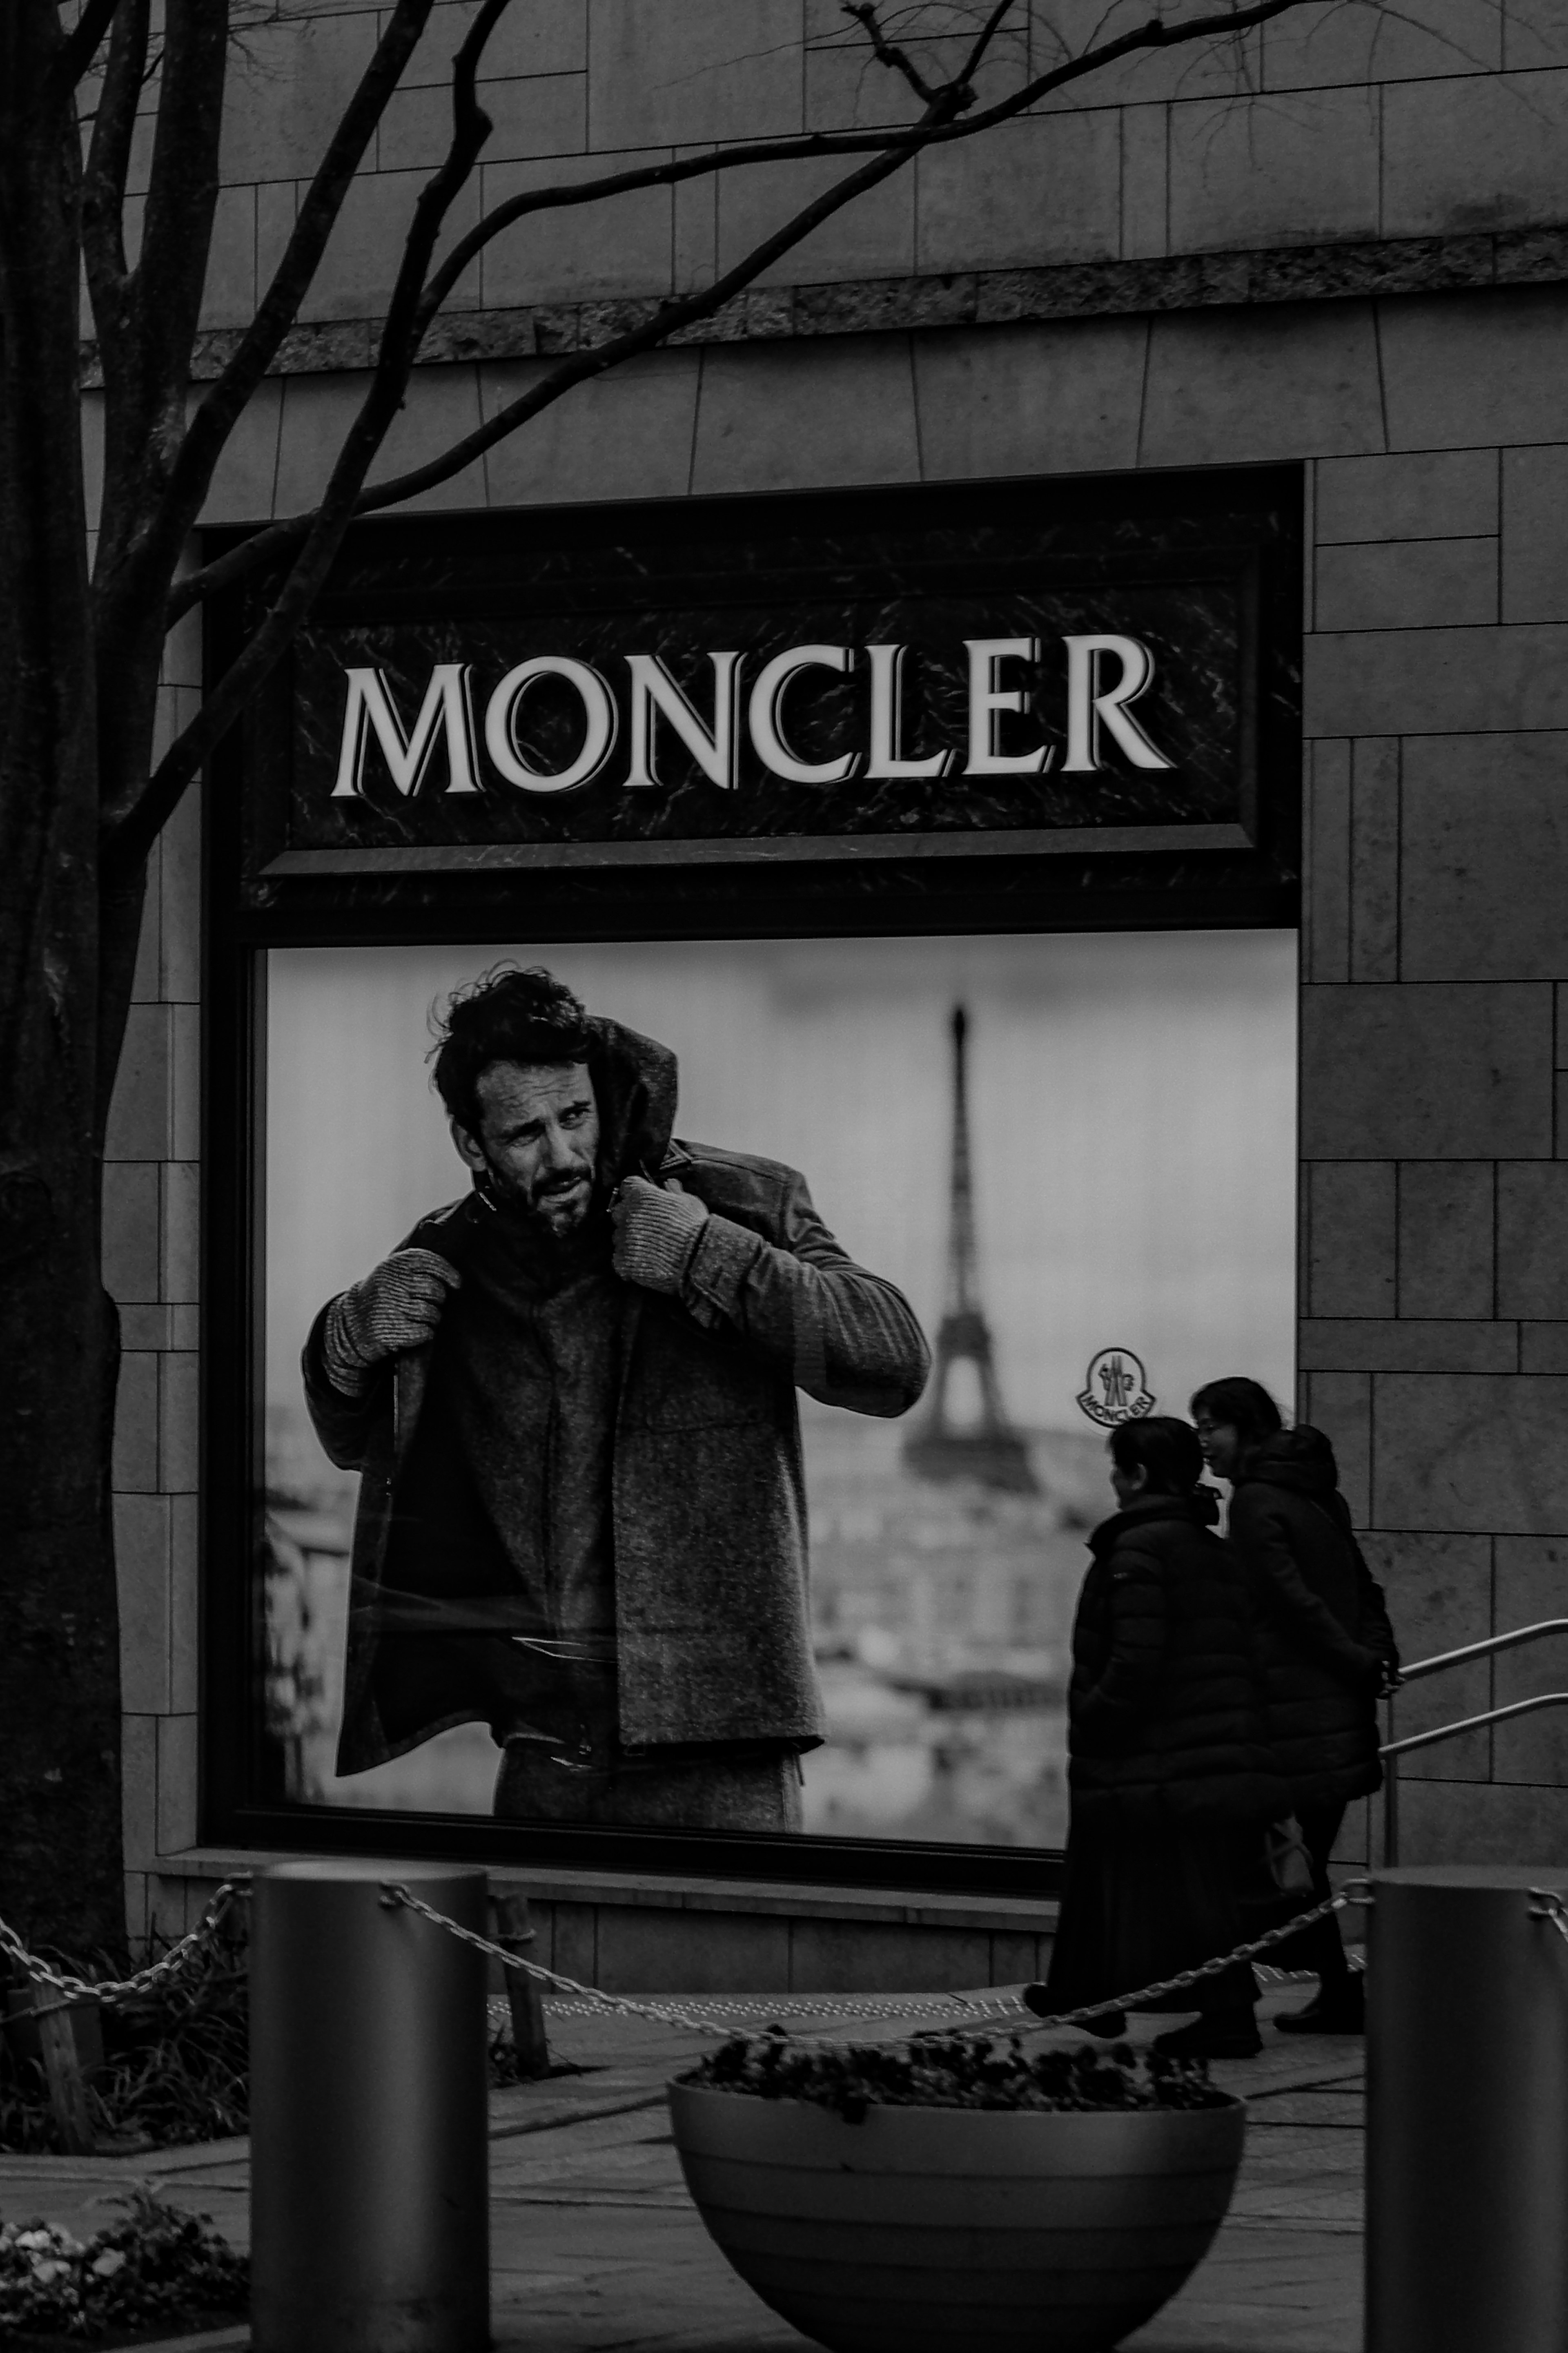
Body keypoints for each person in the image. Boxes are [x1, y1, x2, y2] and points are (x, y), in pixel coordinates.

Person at [302, 963, 930, 1833]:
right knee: (539, 1972)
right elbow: (352, 1437)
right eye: (525, 1133)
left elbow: (895, 1362)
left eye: (575, 1116)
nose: (562, 1155)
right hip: (544, 1753)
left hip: (723, 1753)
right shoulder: (452, 1257)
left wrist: (709, 1255)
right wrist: (345, 1338)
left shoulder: (739, 1202)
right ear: (471, 1141)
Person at [1024, 1415, 1277, 2059]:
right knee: (1125, 1871)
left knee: (1185, 1889)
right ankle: (1091, 1997)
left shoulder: (1139, 1549)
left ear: (1137, 1475)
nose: (1111, 1479)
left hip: (1158, 1751)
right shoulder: (1209, 1548)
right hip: (1204, 1748)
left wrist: (1094, 1715)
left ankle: (1227, 2018)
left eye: (1118, 1467)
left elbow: (1135, 1662)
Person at [1192, 1376, 1399, 2035]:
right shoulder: (1319, 1494)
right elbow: (1363, 1588)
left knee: (1265, 1867)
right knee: (1299, 1868)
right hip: (1335, 1715)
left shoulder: (1255, 1502)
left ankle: (1229, 2013)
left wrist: (1356, 1657)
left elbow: (1290, 1604)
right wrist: (1374, 1656)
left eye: (1212, 1425)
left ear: (1246, 1428)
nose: (1202, 1439)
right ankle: (1337, 1992)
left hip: (1286, 1722)